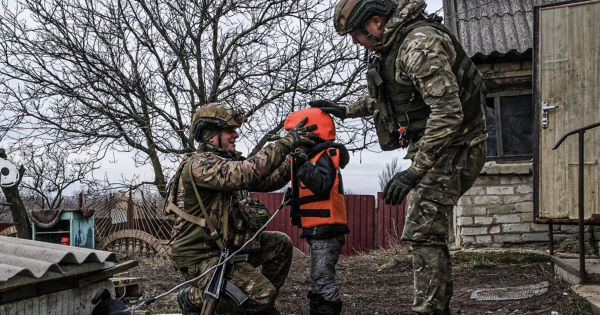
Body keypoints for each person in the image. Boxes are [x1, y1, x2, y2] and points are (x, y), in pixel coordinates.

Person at [310, 0, 488, 314]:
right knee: (427, 230)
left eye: (356, 34)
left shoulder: (418, 46)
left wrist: (413, 172)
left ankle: (429, 309)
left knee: (420, 228)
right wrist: (347, 110)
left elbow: (448, 113)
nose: (356, 41)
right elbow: (392, 96)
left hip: (460, 143)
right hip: (439, 144)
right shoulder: (396, 48)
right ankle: (437, 308)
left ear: (376, 22)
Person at [165, 102, 319, 315]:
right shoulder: (201, 165)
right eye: (229, 130)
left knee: (280, 244)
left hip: (225, 248)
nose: (236, 135)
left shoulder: (222, 161)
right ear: (211, 135)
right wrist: (288, 142)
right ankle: (193, 298)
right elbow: (248, 172)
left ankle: (256, 306)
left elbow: (267, 181)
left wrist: (296, 157)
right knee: (261, 294)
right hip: (199, 256)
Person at [284, 108, 350, 315]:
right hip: (318, 229)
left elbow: (322, 184)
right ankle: (317, 307)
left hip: (327, 228)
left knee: (323, 279)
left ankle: (326, 308)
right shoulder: (313, 157)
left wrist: (302, 162)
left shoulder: (326, 155)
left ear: (313, 132)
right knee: (317, 280)